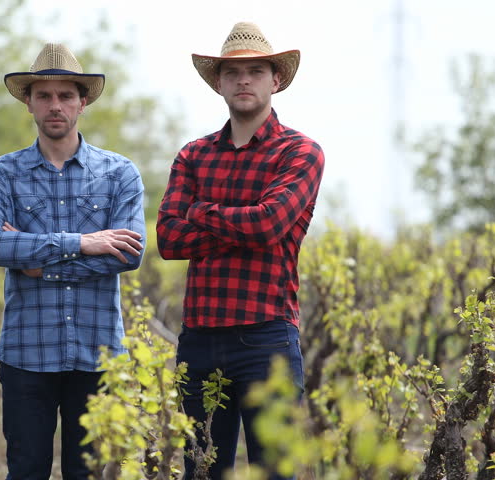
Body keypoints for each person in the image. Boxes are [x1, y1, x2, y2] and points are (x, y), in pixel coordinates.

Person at [156, 22, 324, 480]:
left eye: (255, 71)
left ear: (276, 80)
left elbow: (269, 224)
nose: (244, 80)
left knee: (275, 471)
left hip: (266, 337)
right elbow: (169, 241)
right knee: (200, 470)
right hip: (200, 337)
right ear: (219, 83)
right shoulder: (194, 155)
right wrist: (242, 221)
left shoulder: (300, 152)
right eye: (233, 73)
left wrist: (201, 211)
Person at [0, 43, 146, 480]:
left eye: (66, 96)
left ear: (83, 102)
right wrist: (84, 243)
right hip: (25, 354)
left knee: (88, 473)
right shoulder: (3, 173)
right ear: (29, 103)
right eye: (44, 96)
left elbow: (129, 254)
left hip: (97, 354)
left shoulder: (119, 173)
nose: (56, 105)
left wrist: (36, 261)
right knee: (27, 470)